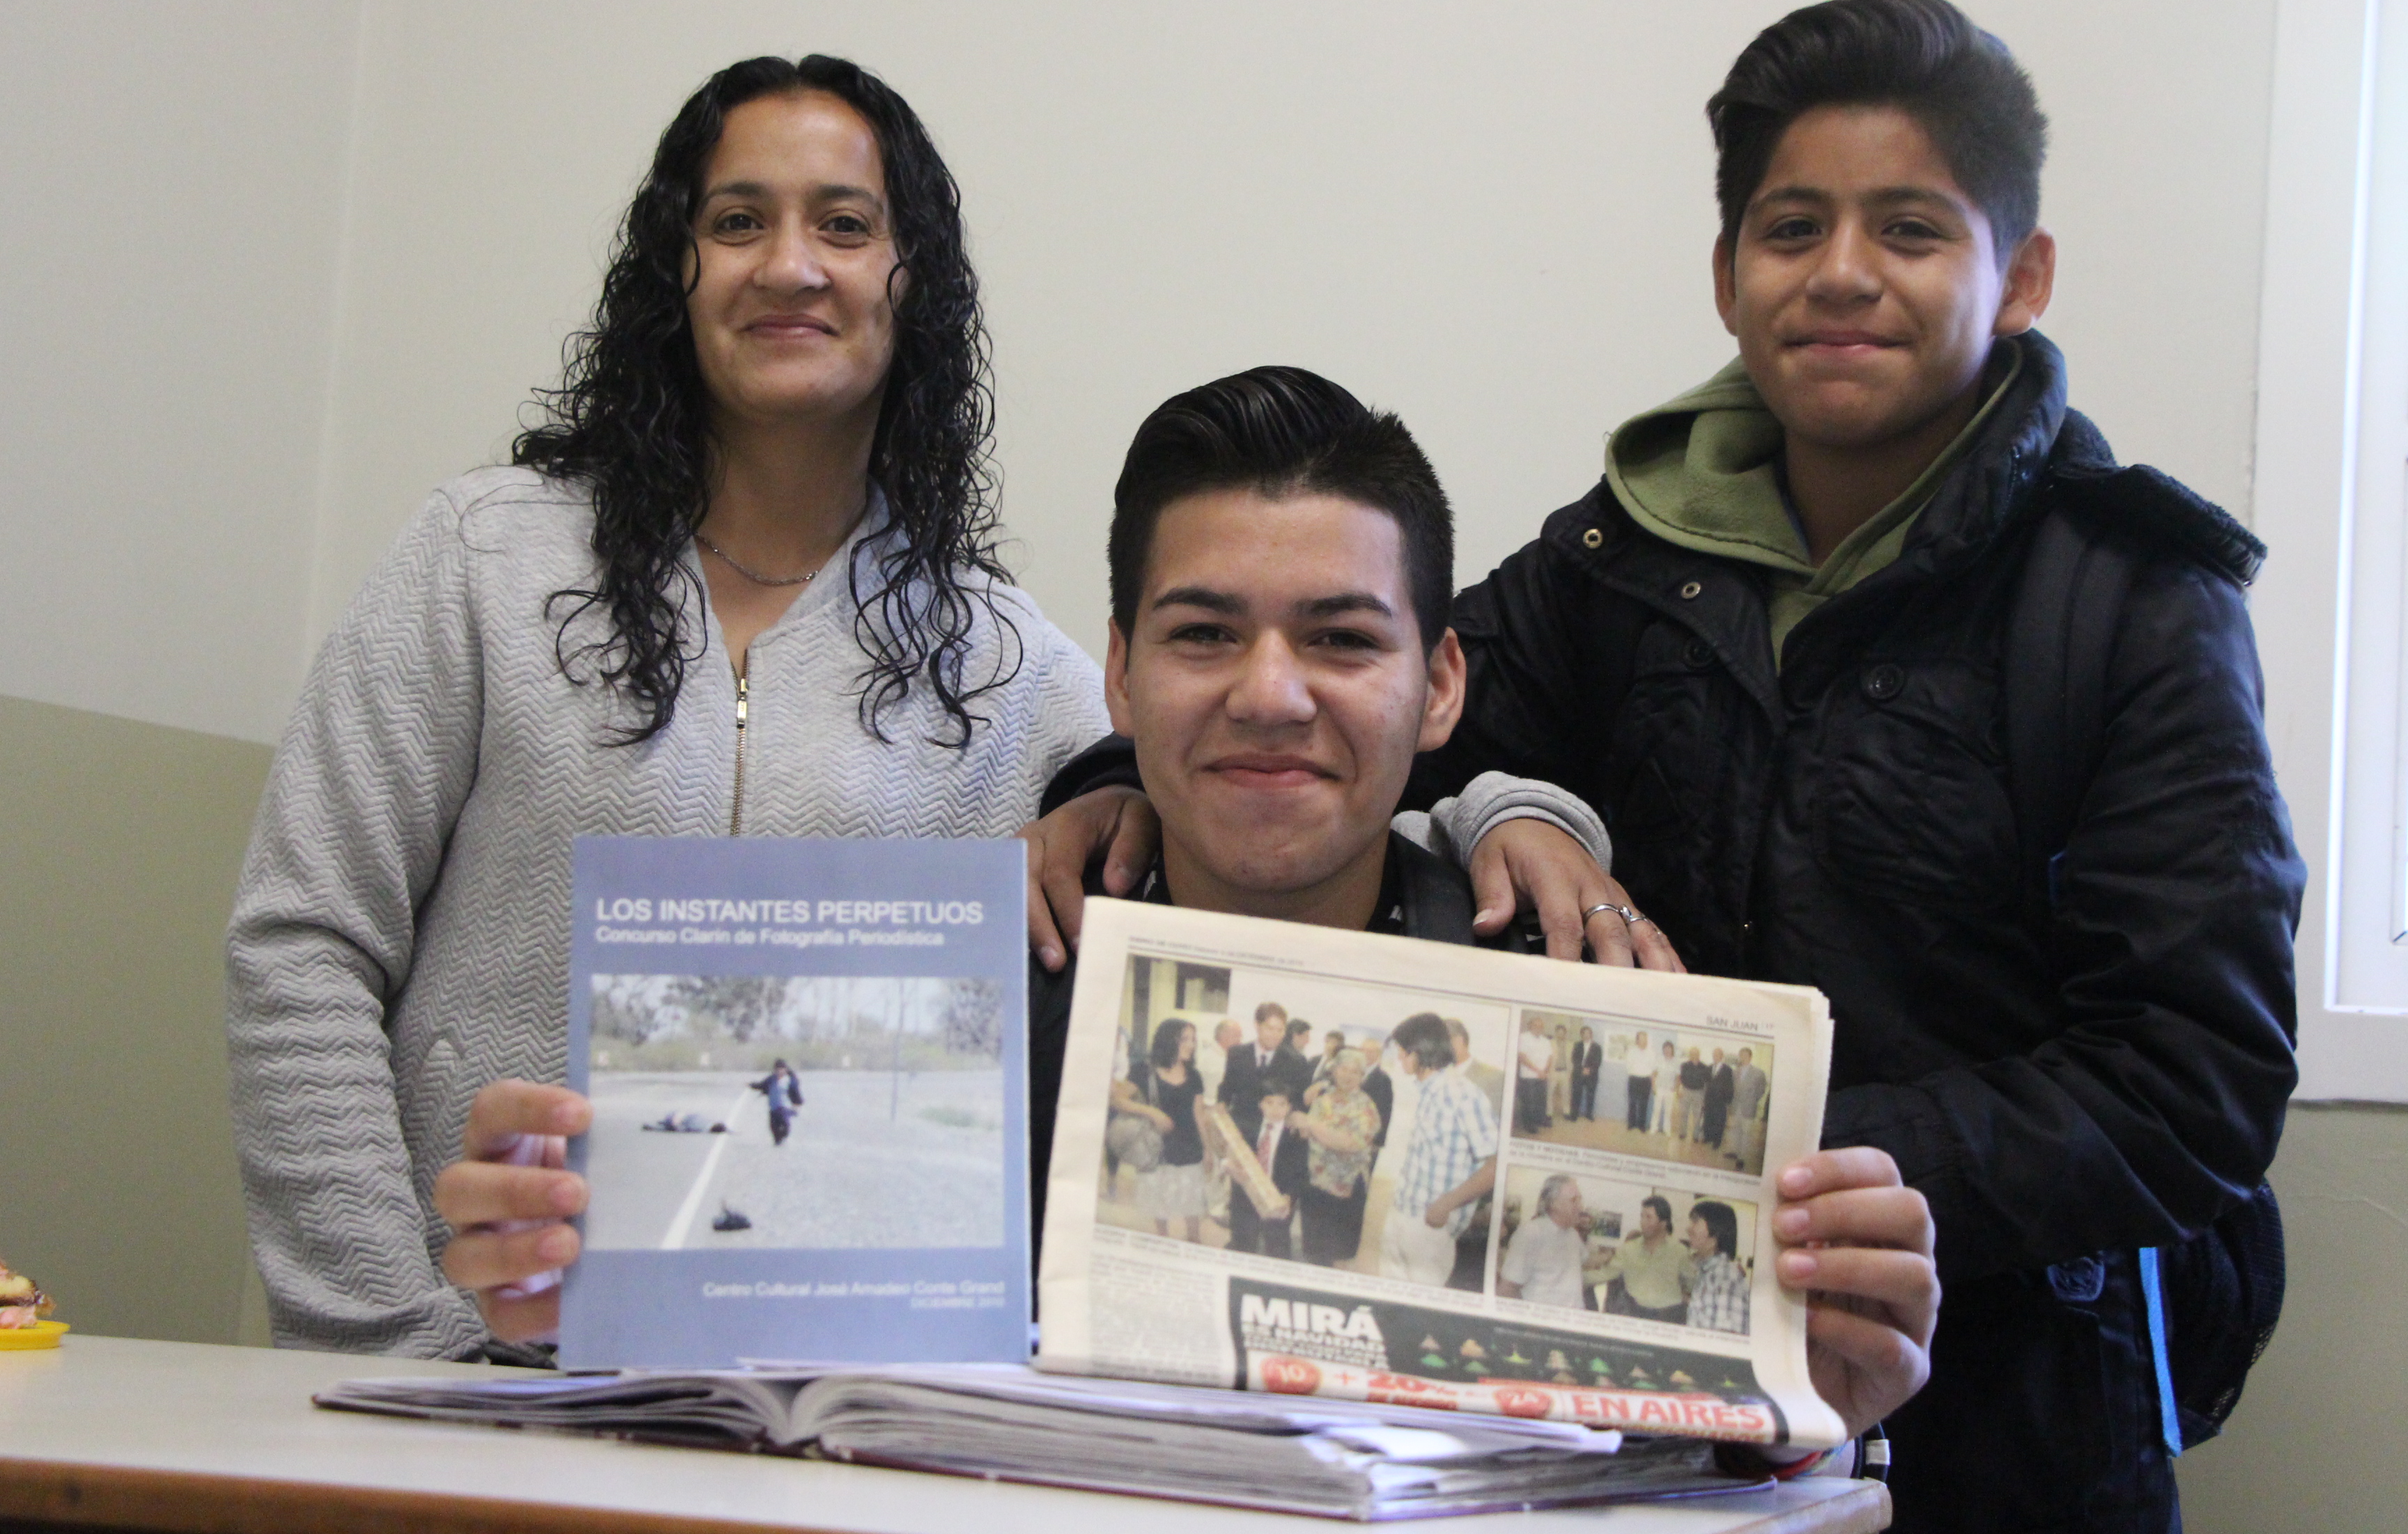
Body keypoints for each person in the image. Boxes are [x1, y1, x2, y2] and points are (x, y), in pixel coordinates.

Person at [451, 365, 1943, 1451]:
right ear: (1117, 672)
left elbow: (1673, 1463)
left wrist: (1810, 1413)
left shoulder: (1593, 993)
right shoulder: (953, 994)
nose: (1271, 694)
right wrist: (576, 1308)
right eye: (1205, 634)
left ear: (1440, 686)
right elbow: (735, 1411)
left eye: (1340, 639)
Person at [1397, 0, 2303, 1529]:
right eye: (1792, 227)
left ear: (2021, 277)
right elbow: (1366, 717)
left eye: (1910, 229)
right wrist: (1505, 807)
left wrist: (1772, 1150)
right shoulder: (1618, 555)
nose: (1840, 273)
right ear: (1726, 274)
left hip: (2012, 1437)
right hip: (1649, 1423)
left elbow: (2193, 1078)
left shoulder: (2132, 599)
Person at [233, 53, 1109, 1358]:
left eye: (845, 225)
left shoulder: (1011, 669)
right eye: (738, 220)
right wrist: (398, 1334)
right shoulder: (482, 561)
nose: (790, 266)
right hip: (451, 1377)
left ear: (910, 279)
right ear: (676, 269)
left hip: (839, 1408)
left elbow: (1186, 843)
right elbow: (302, 945)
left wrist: (1115, 788)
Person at [1380, 1012, 1502, 1285]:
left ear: (1420, 1052)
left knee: (1418, 1307)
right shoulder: (1427, 1092)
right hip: (1401, 1213)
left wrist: (1448, 1203)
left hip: (1430, 1229)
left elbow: (1496, 1166)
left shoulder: (1463, 1095)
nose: (1399, 1058)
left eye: (1403, 1052)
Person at [1292, 1048, 1382, 1266]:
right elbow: (1304, 1133)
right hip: (1315, 1185)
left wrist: (1311, 1124)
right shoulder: (1323, 1100)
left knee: (1336, 1254)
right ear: (1334, 1071)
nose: (1348, 1075)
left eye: (1355, 1072)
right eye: (1344, 1069)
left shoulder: (1366, 1106)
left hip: (1345, 1189)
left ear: (1362, 1077)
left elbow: (1350, 1143)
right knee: (1313, 1250)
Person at [1121, 1018, 1207, 1242]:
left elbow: (1199, 1115)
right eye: (1185, 1039)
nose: (1191, 1045)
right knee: (1159, 1202)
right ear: (1169, 1040)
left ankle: (1194, 1240)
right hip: (1157, 1148)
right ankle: (1163, 1240)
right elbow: (1117, 1099)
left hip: (1189, 1148)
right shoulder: (1143, 1071)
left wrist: (1207, 1149)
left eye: (1193, 1040)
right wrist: (1151, 1112)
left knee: (1192, 1203)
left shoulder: (1194, 1075)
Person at [1228, 1087, 1313, 1257]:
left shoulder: (1296, 1136)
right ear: (1261, 1104)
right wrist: (1230, 1167)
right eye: (1269, 1103)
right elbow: (1228, 1152)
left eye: (1282, 1104)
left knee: (1277, 1247)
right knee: (1243, 1244)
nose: (1275, 1109)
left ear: (1289, 1108)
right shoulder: (1247, 1128)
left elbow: (1301, 1173)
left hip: (1278, 1198)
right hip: (1245, 1194)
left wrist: (1289, 1196)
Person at [1220, 1002, 1312, 1146]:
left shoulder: (1296, 1061)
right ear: (1257, 1026)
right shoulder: (1237, 1054)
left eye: (1280, 1030)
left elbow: (1299, 1101)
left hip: (1275, 1139)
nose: (1275, 1035)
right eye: (1270, 1029)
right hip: (1240, 1134)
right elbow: (1226, 1091)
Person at [1593, 1195, 1692, 1324]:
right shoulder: (1628, 1249)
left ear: (1663, 1223)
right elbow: (1604, 1274)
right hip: (1635, 1314)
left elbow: (1691, 1283)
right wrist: (1576, 1275)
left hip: (1670, 1317)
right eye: (1642, 1216)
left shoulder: (1679, 1251)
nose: (1642, 1222)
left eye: (1648, 1217)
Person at [1496, 1175, 1588, 1308]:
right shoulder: (1531, 1233)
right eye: (1574, 1200)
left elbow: (1585, 1260)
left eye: (1580, 1200)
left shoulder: (1572, 1234)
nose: (1581, 1207)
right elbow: (1507, 1288)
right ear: (1553, 1204)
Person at [1683, 1202, 1751, 1335]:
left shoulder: (1725, 1277)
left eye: (1695, 1221)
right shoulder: (1708, 1272)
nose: (1688, 1229)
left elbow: (1726, 1340)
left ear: (1716, 1230)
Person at [1728, 1046, 1769, 1170]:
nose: (1743, 1057)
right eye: (1741, 1055)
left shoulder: (1758, 1073)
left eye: (1746, 1055)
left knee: (1746, 1133)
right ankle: (1735, 1152)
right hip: (1736, 1107)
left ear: (1750, 1057)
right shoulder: (1735, 1072)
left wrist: (1753, 1099)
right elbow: (1733, 1089)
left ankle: (1742, 1158)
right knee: (1736, 1131)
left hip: (1748, 1108)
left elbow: (1762, 1089)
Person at [1513, 1014, 1552, 1135]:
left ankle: (1539, 1120)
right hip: (1528, 1076)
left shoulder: (1546, 1040)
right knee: (1529, 1102)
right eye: (1535, 1026)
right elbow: (1522, 1057)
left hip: (1543, 1076)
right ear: (1530, 1026)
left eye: (1540, 1026)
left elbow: (1550, 1057)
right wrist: (1538, 1071)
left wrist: (1545, 1071)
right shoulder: (1523, 1037)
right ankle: (1529, 1124)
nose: (1538, 1028)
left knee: (1541, 1101)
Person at [748, 1060, 803, 1146]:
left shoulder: (790, 1080)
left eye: (782, 1069)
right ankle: (778, 1145)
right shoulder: (771, 1080)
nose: (779, 1071)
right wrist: (752, 1085)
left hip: (784, 1108)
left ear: (785, 1070)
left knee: (785, 1128)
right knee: (774, 1132)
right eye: (777, 1069)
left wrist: (798, 1103)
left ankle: (784, 1140)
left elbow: (795, 1093)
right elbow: (761, 1085)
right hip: (773, 1110)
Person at [1700, 1047, 1735, 1149]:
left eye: (1717, 1055)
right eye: (1714, 1055)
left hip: (1721, 1100)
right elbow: (1705, 1084)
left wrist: (1728, 1101)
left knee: (1719, 1121)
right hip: (1709, 1099)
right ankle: (1708, 1137)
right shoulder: (1709, 1068)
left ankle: (1717, 1141)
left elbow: (1730, 1086)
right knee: (1708, 1118)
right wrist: (1704, 1099)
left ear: (1722, 1056)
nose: (1715, 1057)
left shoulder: (1728, 1070)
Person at [1675, 1047, 1708, 1145]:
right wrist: (1678, 1090)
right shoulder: (1684, 1066)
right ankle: (1682, 1133)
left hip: (1699, 1093)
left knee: (1697, 1116)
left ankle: (1696, 1135)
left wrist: (1704, 1097)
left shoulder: (1704, 1067)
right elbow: (1679, 1078)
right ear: (1690, 1055)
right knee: (1684, 1113)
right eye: (1692, 1054)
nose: (1694, 1055)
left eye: (1696, 1054)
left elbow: (1706, 1083)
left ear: (1699, 1055)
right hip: (1686, 1091)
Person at [1570, 1026, 1602, 1122]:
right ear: (1581, 1035)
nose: (1586, 1035)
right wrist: (1582, 1069)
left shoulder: (1597, 1047)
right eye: (1584, 1033)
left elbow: (1598, 1062)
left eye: (1588, 1033)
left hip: (1592, 1075)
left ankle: (1589, 1114)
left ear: (1591, 1035)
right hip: (1578, 1074)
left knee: (1590, 1096)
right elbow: (1574, 1059)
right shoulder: (1577, 1045)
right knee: (1576, 1095)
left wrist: (1589, 1070)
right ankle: (1574, 1115)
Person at [1623, 1029, 1652, 1132]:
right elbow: (1628, 1065)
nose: (1644, 1041)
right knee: (1632, 1102)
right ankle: (1631, 1124)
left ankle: (1642, 1125)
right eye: (1641, 1039)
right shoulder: (1631, 1052)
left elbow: (1653, 1068)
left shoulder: (1651, 1053)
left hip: (1646, 1080)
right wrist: (1635, 1074)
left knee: (1644, 1104)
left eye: (1645, 1039)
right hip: (1634, 1079)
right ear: (1637, 1041)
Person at [1547, 1024, 1574, 1124]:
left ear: (1565, 1034)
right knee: (1550, 1093)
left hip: (1565, 1072)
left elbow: (1572, 1059)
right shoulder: (1550, 1043)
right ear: (1556, 1033)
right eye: (1559, 1033)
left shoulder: (1570, 1044)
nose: (1560, 1035)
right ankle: (1549, 1113)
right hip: (1553, 1071)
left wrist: (1571, 1072)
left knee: (1566, 1093)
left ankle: (1566, 1112)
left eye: (1562, 1033)